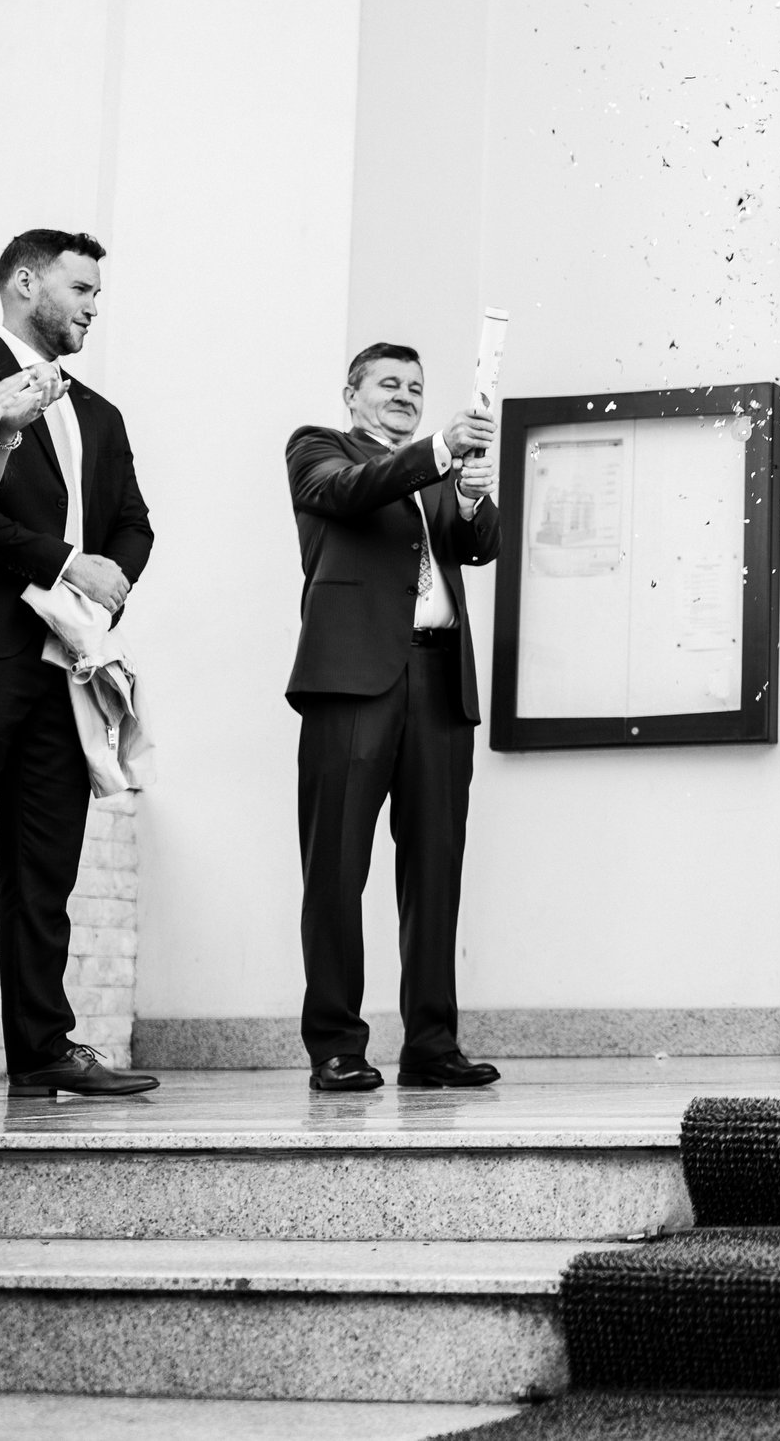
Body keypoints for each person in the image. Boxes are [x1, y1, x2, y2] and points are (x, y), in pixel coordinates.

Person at [0, 230, 157, 1098]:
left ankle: (43, 1045)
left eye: (97, 293)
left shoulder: (101, 412)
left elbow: (134, 524)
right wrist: (58, 560)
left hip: (65, 667)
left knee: (48, 867)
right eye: (80, 288)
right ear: (23, 282)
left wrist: (103, 589)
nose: (92, 306)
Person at [287, 344, 502, 1094]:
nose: (406, 394)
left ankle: (433, 1045)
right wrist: (441, 449)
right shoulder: (319, 450)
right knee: (337, 867)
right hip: (352, 684)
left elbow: (480, 546)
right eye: (389, 384)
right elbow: (351, 493)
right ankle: (338, 1045)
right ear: (352, 394)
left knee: (437, 868)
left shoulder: (437, 473)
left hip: (440, 680)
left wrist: (471, 496)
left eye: (416, 385)